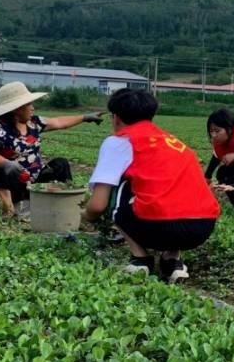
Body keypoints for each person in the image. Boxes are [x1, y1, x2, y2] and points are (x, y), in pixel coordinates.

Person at [82, 88, 220, 283]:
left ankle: (140, 259)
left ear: (116, 118)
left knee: (118, 189)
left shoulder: (119, 141)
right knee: (174, 188)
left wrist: (86, 216)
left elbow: (98, 205)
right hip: (202, 227)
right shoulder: (175, 143)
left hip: (157, 228)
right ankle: (172, 261)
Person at [0, 81, 103, 217]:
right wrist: (6, 164)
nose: (33, 108)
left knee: (61, 164)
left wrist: (85, 117)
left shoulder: (34, 123)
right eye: (29, 104)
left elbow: (59, 122)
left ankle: (65, 205)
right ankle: (9, 210)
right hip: (15, 185)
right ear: (17, 109)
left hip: (36, 182)